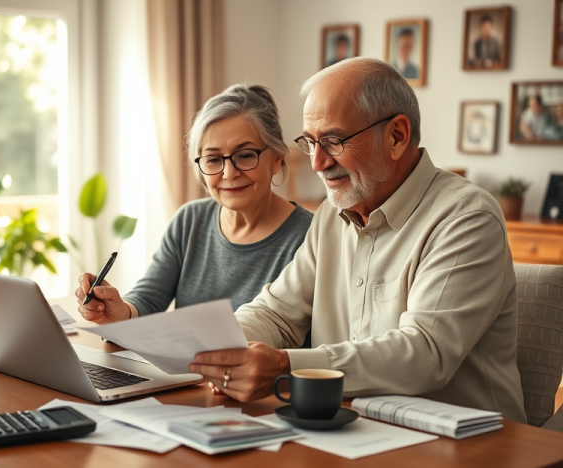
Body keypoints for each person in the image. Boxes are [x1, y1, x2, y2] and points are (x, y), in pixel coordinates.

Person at [189, 57, 527, 424]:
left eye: (333, 141)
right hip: (351, 431)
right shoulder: (330, 217)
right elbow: (276, 314)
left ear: (397, 136)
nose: (317, 163)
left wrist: (285, 366)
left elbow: (426, 353)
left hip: (463, 444)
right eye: (310, 142)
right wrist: (214, 345)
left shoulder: (466, 216)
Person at [75, 85, 313, 331]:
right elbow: (148, 299)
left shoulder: (311, 236)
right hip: (186, 369)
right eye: (213, 159)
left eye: (245, 155)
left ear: (277, 159)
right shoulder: (189, 220)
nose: (228, 173)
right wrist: (119, 312)